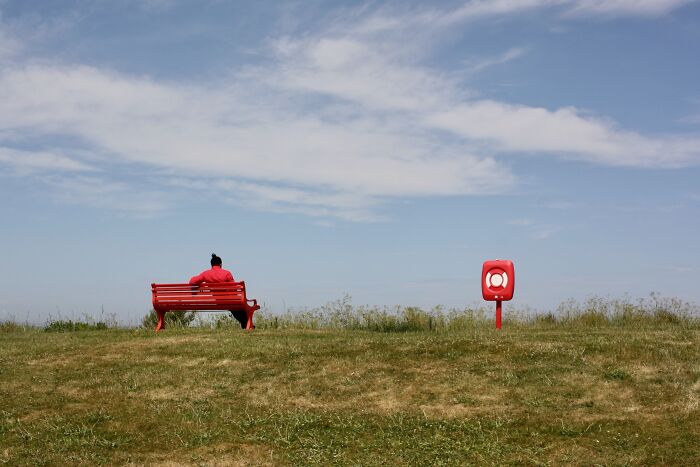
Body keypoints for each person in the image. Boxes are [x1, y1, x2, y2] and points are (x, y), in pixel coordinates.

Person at [189, 253, 248, 328]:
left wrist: (199, 287)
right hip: (228, 301)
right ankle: (246, 325)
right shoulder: (227, 273)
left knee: (236, 308)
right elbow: (234, 288)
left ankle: (245, 324)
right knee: (239, 308)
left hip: (217, 301)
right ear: (220, 264)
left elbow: (192, 282)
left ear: (211, 265)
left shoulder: (205, 274)